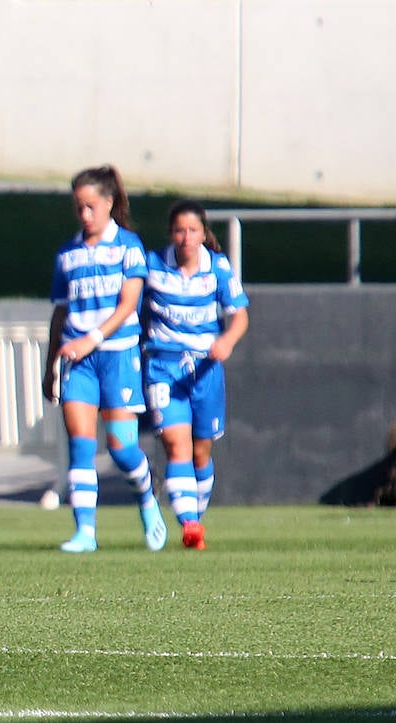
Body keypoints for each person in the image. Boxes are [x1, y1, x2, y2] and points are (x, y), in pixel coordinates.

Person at [42, 164, 167, 554]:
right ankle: (85, 532)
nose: (84, 215)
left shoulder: (128, 247)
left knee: (120, 448)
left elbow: (129, 303)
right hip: (76, 362)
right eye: (78, 207)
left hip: (116, 356)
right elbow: (60, 314)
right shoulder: (68, 253)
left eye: (90, 206)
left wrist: (91, 339)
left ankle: (147, 494)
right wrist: (51, 366)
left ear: (109, 204)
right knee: (81, 445)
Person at [144, 200, 249, 550]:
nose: (186, 238)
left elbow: (240, 315)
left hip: (205, 369)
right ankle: (189, 524)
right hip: (163, 367)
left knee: (201, 451)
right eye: (179, 230)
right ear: (170, 233)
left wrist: (227, 341)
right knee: (177, 446)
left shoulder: (217, 268)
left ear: (204, 233)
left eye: (192, 230)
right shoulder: (153, 266)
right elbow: (130, 302)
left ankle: (195, 517)